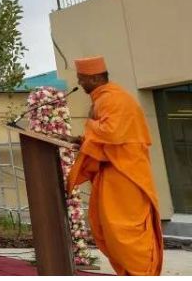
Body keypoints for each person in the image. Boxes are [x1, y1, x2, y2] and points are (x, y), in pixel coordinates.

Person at [66, 56, 163, 276]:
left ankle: (141, 273)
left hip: (126, 175)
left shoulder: (114, 99)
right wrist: (83, 140)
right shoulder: (104, 99)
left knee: (124, 231)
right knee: (108, 228)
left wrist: (89, 125)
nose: (80, 84)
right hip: (114, 172)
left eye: (82, 79)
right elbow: (110, 136)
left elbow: (112, 133)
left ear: (96, 77)